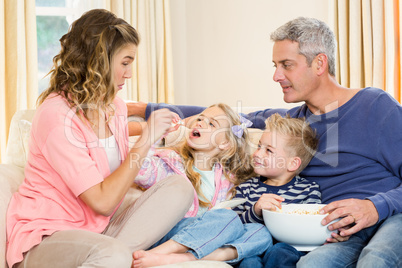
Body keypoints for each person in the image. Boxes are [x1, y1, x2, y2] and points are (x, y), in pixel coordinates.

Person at [127, 17, 402, 267]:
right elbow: (227, 117)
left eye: (287, 66)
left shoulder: (375, 106)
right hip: (337, 231)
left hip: (391, 216)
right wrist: (142, 108)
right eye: (276, 66)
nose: (276, 76)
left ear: (319, 63)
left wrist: (374, 207)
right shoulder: (293, 125)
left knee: (376, 260)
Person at [6, 9, 194, 268]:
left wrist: (149, 129)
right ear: (100, 61)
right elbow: (103, 201)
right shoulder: (56, 115)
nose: (129, 73)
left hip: (100, 230)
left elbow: (99, 141)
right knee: (112, 253)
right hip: (49, 236)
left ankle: (113, 259)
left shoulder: (113, 106)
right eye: (125, 62)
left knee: (180, 188)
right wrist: (145, 140)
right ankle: (114, 258)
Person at [130, 103, 272, 267]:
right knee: (227, 218)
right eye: (200, 118)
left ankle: (184, 259)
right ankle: (158, 253)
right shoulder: (170, 162)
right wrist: (154, 136)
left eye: (211, 124)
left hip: (205, 238)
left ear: (225, 144)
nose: (199, 123)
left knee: (261, 233)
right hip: (171, 233)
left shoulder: (228, 178)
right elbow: (138, 170)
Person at [234, 113, 345, 268]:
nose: (257, 154)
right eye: (259, 146)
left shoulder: (308, 190)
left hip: (288, 250)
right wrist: (255, 210)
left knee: (280, 251)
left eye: (269, 151)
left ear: (292, 164)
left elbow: (314, 225)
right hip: (254, 248)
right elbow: (233, 225)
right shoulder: (247, 188)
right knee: (249, 262)